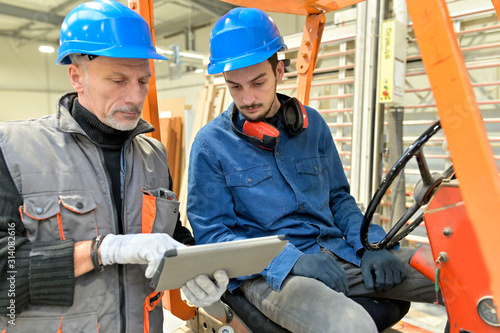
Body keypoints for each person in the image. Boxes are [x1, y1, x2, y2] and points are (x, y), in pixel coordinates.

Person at [187, 7, 440, 333]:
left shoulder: (313, 126)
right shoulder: (210, 145)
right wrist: (291, 260)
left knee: (462, 273)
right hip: (271, 276)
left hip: (341, 253)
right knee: (350, 325)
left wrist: (371, 246)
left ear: (279, 71)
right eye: (235, 87)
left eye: (257, 82)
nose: (247, 98)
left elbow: (339, 199)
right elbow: (213, 236)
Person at [0, 1, 228, 332]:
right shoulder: (14, 151)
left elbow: (172, 237)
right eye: (118, 80)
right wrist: (103, 250)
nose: (135, 97)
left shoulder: (154, 156)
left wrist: (197, 276)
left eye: (143, 81)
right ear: (77, 77)